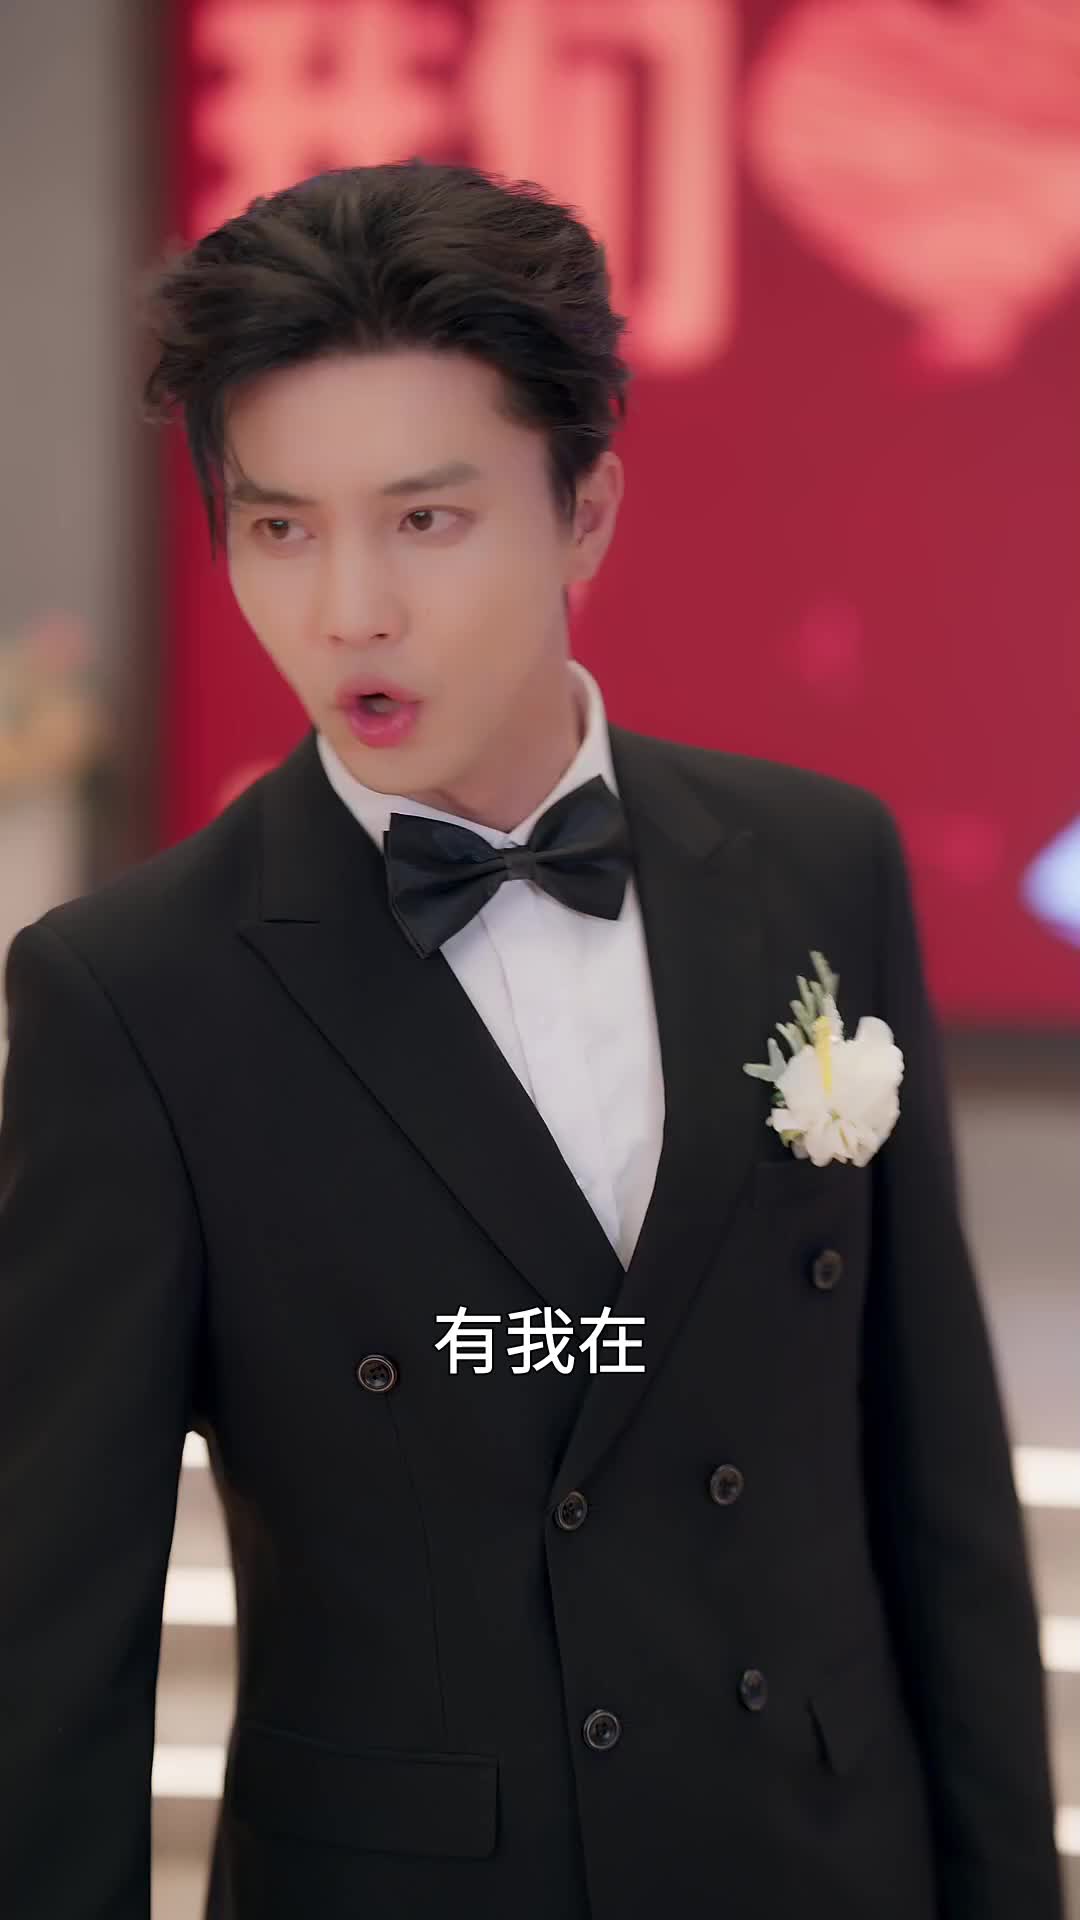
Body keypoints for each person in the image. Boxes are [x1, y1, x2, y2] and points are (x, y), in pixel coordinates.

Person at [0, 160, 1063, 1920]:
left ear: (587, 512)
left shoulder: (819, 867)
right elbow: (52, 1648)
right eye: (281, 527)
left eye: (425, 520)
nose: (349, 610)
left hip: (821, 1869)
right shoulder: (135, 995)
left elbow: (935, 1481)